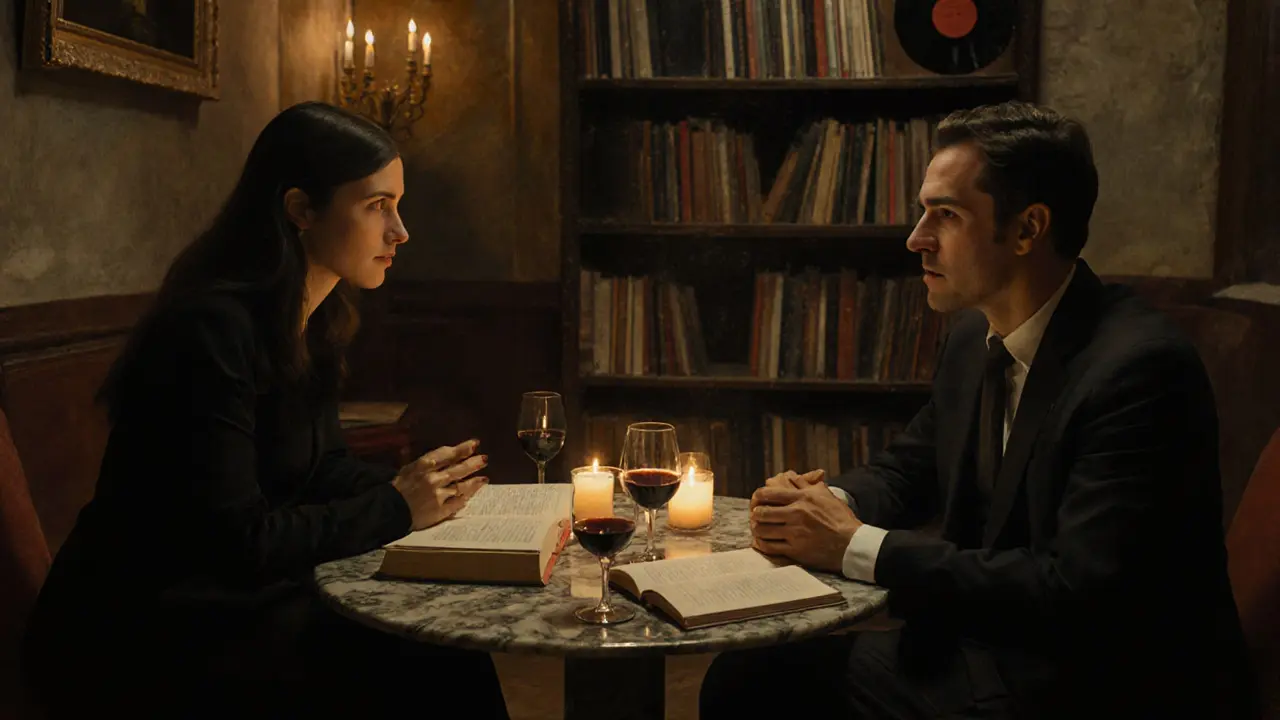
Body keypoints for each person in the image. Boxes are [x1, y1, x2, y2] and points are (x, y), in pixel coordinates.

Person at [700, 101, 1257, 719]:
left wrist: (854, 545)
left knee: (753, 685)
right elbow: (911, 467)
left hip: (1100, 685)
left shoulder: (1140, 370)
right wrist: (823, 503)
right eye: (924, 211)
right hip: (993, 653)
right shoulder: (974, 336)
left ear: (1027, 230)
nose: (916, 238)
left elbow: (1074, 590)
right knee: (749, 674)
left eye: (947, 215)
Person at [22, 102, 510, 718]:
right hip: (142, 626)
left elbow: (321, 467)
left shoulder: (313, 317)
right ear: (300, 209)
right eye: (377, 205)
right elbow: (238, 541)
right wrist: (396, 505)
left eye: (397, 205)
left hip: (232, 595)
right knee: (424, 652)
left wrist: (434, 492)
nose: (400, 231)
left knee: (441, 636)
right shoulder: (208, 331)